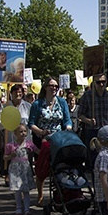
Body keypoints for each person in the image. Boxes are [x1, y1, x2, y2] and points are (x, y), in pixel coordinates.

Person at [28, 77, 72, 205]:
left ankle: (61, 192)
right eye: (51, 85)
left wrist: (68, 127)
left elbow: (67, 120)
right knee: (42, 168)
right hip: (42, 139)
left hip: (59, 139)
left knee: (60, 167)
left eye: (56, 86)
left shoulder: (62, 102)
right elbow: (31, 123)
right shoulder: (37, 104)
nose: (54, 88)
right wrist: (41, 132)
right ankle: (40, 195)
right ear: (46, 87)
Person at [4, 124, 39, 215]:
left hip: (25, 168)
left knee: (26, 190)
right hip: (15, 169)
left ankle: (27, 209)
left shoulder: (29, 144)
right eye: (21, 131)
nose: (23, 133)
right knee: (18, 190)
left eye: (25, 131)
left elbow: (37, 151)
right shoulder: (11, 145)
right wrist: (11, 156)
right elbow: (5, 157)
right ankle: (19, 208)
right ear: (15, 133)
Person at [78, 73, 108, 148]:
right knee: (93, 156)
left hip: (107, 131)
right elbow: (80, 115)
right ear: (94, 82)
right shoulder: (87, 96)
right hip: (92, 131)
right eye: (98, 82)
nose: (101, 84)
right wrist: (88, 121)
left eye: (103, 82)